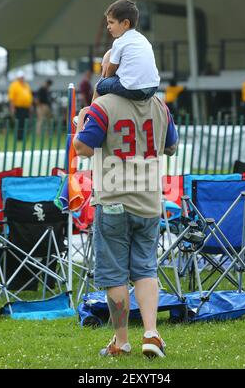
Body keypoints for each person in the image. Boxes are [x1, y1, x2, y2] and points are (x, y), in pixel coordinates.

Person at [74, 72, 178, 357]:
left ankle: (121, 341)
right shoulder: (159, 105)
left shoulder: (103, 104)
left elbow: (82, 148)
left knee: (114, 275)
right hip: (149, 201)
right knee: (146, 269)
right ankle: (151, 334)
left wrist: (82, 121)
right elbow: (171, 146)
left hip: (113, 200)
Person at [94, 0, 160, 101]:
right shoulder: (142, 39)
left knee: (99, 85)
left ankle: (91, 113)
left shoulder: (119, 42)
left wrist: (106, 79)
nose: (108, 27)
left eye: (111, 22)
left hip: (134, 90)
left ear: (125, 23)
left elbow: (111, 69)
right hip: (152, 88)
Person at [8, 70, 33, 140]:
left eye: (22, 77)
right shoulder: (14, 85)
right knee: (19, 123)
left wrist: (30, 106)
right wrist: (12, 108)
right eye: (20, 77)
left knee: (26, 122)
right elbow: (11, 98)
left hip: (26, 108)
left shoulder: (26, 85)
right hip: (18, 108)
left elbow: (30, 97)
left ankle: (24, 137)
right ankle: (19, 137)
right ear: (18, 77)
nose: (22, 78)